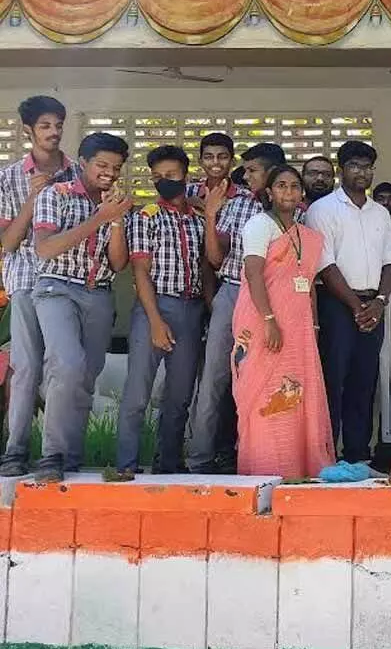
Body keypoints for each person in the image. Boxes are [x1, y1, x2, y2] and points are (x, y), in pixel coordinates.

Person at [31, 132, 132, 482]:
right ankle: (52, 457)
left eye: (116, 167)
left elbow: (118, 264)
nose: (109, 172)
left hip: (99, 293)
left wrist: (116, 220)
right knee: (68, 366)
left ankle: (70, 460)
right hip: (56, 288)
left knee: (87, 377)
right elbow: (45, 249)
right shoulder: (54, 195)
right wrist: (100, 218)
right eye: (102, 165)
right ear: (83, 163)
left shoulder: (116, 203)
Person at [232, 165, 335, 477]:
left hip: (299, 327)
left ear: (301, 194)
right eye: (281, 186)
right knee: (263, 394)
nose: (288, 192)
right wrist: (269, 320)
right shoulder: (259, 225)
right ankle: (264, 466)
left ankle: (297, 465)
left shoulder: (307, 236)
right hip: (263, 321)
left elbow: (309, 282)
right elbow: (253, 273)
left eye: (293, 186)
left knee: (296, 394)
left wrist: (314, 326)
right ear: (269, 192)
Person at [114, 145, 208, 478]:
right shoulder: (145, 216)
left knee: (180, 396)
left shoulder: (199, 218)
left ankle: (168, 466)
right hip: (155, 307)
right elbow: (140, 271)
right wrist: (155, 321)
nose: (164, 181)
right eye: (157, 177)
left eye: (171, 175)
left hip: (192, 308)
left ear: (186, 175)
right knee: (138, 391)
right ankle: (125, 465)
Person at [188, 142, 277, 473]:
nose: (245, 175)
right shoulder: (237, 203)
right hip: (234, 293)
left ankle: (258, 458)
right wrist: (210, 215)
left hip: (274, 302)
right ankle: (200, 459)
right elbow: (215, 257)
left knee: (265, 381)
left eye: (253, 170)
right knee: (215, 378)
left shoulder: (293, 207)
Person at [307, 141, 391, 464]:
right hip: (338, 307)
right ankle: (327, 457)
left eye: (367, 166)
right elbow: (325, 266)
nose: (362, 172)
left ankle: (358, 456)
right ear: (341, 169)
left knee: (364, 382)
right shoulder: (322, 210)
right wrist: (357, 307)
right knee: (334, 381)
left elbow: (390, 262)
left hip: (374, 307)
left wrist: (380, 302)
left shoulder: (382, 213)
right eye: (355, 166)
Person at [0, 95, 76, 476]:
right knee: (26, 367)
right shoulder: (8, 177)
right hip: (27, 282)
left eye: (58, 125)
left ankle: (58, 453)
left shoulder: (78, 174)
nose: (54, 132)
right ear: (27, 131)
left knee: (61, 369)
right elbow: (8, 243)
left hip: (66, 284)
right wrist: (33, 197)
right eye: (45, 126)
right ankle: (15, 451)